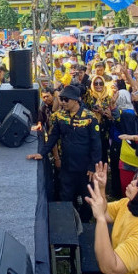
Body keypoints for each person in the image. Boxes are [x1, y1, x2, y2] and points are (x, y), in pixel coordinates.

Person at [27, 85, 101, 221]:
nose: (63, 103)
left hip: (85, 169)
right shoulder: (59, 117)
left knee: (87, 198)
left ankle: (85, 223)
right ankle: (68, 225)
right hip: (67, 166)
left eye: (66, 100)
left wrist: (93, 166)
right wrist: (42, 153)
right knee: (65, 197)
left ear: (76, 100)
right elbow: (53, 137)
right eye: (61, 99)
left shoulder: (90, 117)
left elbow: (96, 143)